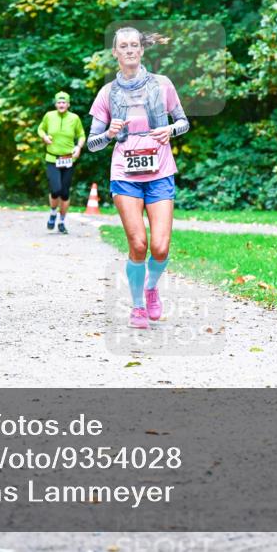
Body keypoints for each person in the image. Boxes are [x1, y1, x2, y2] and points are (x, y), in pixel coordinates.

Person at [86, 27, 190, 328]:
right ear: (115, 53)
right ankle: (138, 306)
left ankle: (151, 287)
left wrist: (170, 130)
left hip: (160, 173)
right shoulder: (107, 93)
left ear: (142, 50)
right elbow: (93, 144)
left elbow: (183, 122)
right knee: (138, 244)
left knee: (160, 247)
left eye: (134, 45)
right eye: (123, 46)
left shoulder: (162, 85)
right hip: (125, 176)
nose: (130, 50)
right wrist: (109, 133)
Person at [37, 91, 85, 234]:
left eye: (64, 102)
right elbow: (40, 129)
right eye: (59, 102)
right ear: (56, 104)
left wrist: (78, 146)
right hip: (52, 158)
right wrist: (44, 136)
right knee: (55, 190)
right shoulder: (49, 116)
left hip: (68, 159)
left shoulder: (74, 118)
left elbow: (81, 135)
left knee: (64, 193)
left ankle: (62, 221)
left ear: (68, 104)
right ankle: (53, 213)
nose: (61, 104)